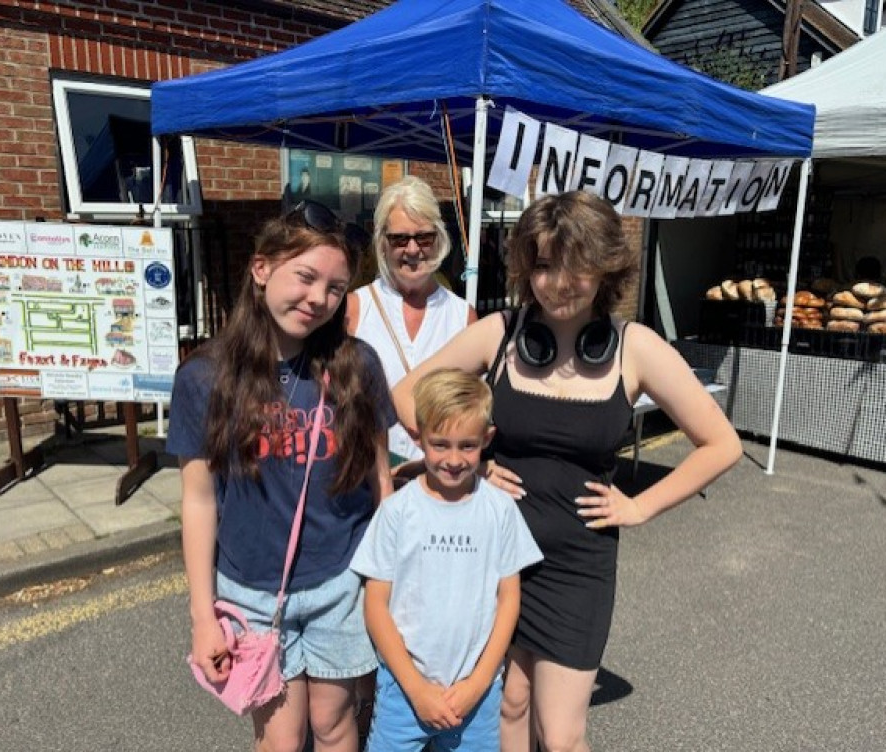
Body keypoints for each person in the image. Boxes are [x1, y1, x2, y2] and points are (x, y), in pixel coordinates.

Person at [392, 191, 743, 752]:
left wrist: (640, 506)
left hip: (578, 567)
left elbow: (720, 443)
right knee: (509, 706)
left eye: (576, 265)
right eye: (544, 265)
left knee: (560, 734)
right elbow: (407, 394)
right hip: (497, 558)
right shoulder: (499, 333)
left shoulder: (637, 347)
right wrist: (472, 465)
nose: (558, 282)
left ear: (605, 267)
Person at [167, 201, 395, 752]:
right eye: (307, 276)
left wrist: (392, 585)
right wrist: (204, 618)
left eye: (336, 288)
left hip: (340, 581)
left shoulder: (356, 366)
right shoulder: (205, 378)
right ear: (262, 268)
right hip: (250, 593)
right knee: (281, 741)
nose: (319, 298)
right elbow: (199, 502)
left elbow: (381, 485)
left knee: (336, 726)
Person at [350, 368, 542, 751]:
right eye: (440, 444)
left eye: (468, 446)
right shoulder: (397, 512)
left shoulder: (500, 511)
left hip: (477, 693)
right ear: (418, 438)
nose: (453, 459)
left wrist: (478, 683)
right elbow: (375, 604)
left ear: (487, 439)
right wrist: (416, 688)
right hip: (404, 690)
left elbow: (509, 601)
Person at [346, 176, 477, 471]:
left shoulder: (462, 316)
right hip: (369, 476)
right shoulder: (355, 309)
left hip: (440, 478)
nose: (413, 250)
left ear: (439, 239)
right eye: (400, 239)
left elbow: (473, 408)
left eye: (424, 238)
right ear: (382, 243)